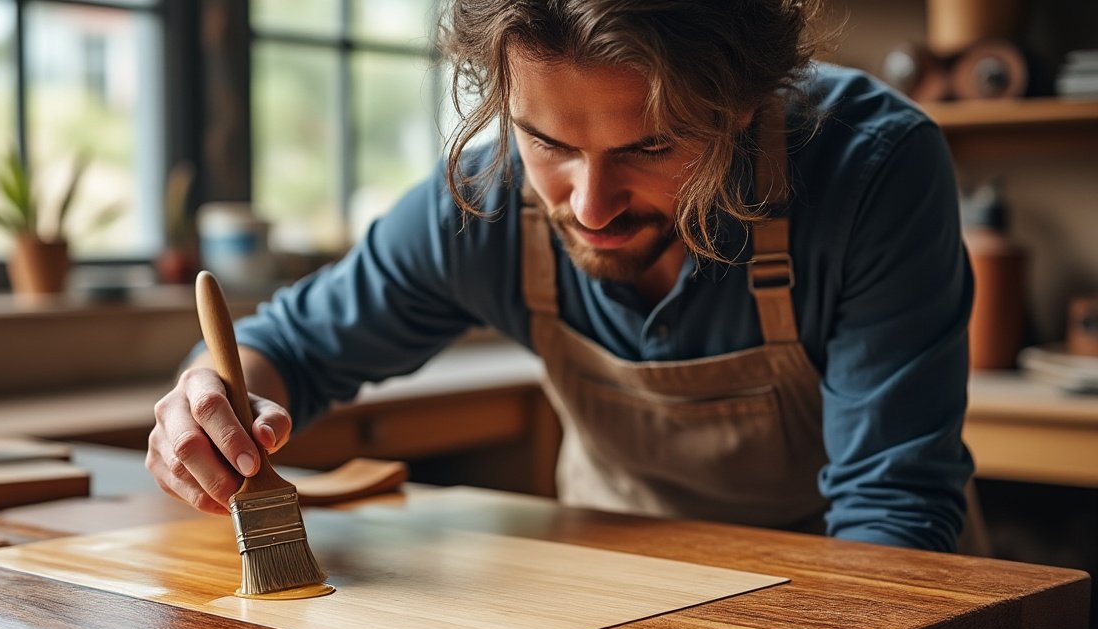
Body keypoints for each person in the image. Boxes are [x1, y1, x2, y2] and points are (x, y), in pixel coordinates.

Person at [148, 0, 980, 553]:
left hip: (847, 584)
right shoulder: (480, 203)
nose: (589, 206)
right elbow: (287, 348)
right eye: (547, 143)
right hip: (613, 592)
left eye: (650, 147)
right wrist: (212, 405)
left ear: (743, 102)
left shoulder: (872, 171)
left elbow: (893, 515)